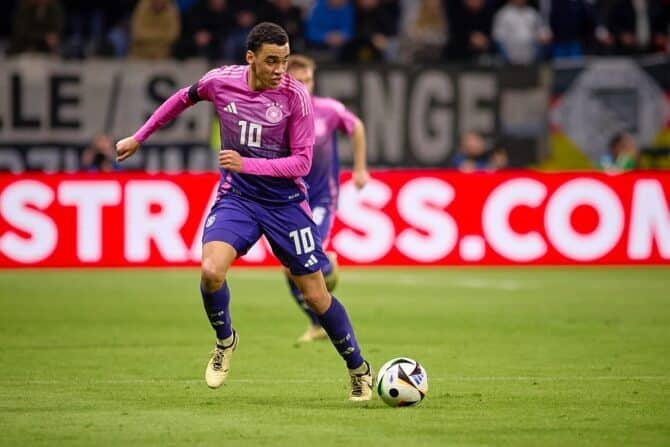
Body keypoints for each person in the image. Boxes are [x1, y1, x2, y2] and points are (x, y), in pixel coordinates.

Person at [115, 22, 374, 401]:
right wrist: (139, 136)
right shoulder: (221, 81)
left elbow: (301, 164)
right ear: (250, 58)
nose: (280, 70)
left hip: (286, 204)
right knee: (210, 271)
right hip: (238, 198)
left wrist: (245, 163)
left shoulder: (295, 97)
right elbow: (181, 99)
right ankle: (225, 341)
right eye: (272, 61)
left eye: (285, 61)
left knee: (317, 297)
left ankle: (358, 369)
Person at [285, 54, 369, 343]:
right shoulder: (276, 114)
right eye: (297, 81)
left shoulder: (328, 110)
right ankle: (316, 323)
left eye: (307, 80)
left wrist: (359, 168)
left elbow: (356, 126)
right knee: (289, 265)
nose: (304, 86)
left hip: (321, 197)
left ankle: (327, 265)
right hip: (288, 199)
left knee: (307, 257)